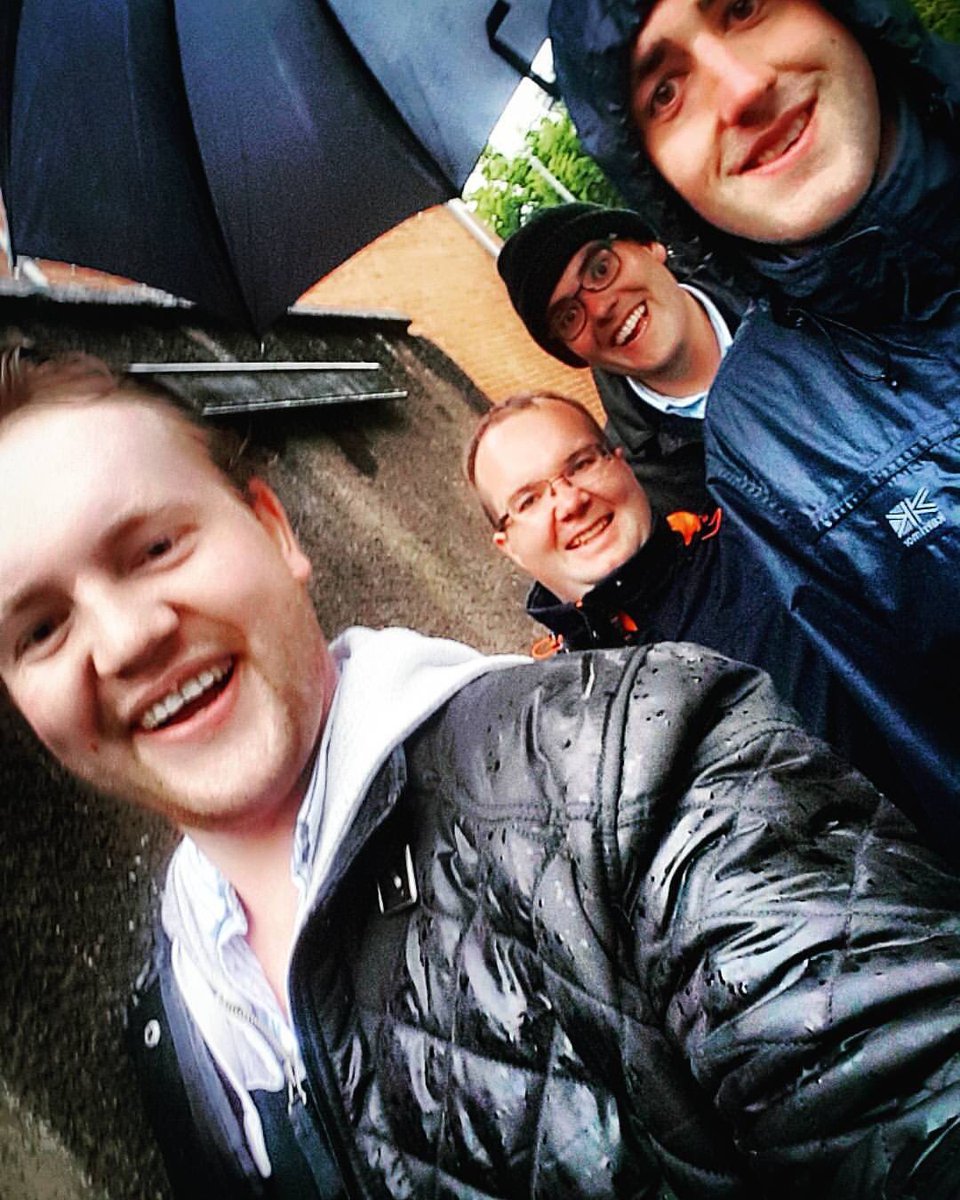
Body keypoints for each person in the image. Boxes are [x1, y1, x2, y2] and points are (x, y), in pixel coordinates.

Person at [4, 351, 960, 1200]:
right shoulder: (172, 1022)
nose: (126, 641)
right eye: (39, 629)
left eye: (157, 548)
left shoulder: (629, 755)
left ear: (275, 529)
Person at [549, 0, 960, 846]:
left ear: (651, 243)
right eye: (665, 93)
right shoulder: (746, 444)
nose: (740, 90)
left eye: (743, 4)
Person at [466, 389, 902, 803]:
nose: (570, 503)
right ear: (509, 546)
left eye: (581, 464)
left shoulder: (766, 547)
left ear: (621, 463)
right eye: (529, 501)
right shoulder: (559, 724)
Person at [497, 202, 742, 516]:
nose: (600, 309)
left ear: (649, 246)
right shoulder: (638, 489)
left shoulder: (779, 282)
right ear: (572, 354)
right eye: (569, 317)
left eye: (601, 269)